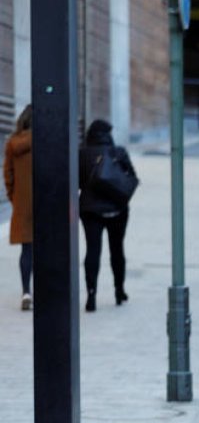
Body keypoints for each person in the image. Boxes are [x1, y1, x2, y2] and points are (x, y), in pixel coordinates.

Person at [78, 119, 137, 312]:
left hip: (90, 210)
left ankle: (91, 295)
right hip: (118, 209)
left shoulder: (82, 154)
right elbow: (132, 177)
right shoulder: (118, 152)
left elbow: (76, 183)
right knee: (117, 249)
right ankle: (119, 291)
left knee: (92, 251)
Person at [3, 105, 33, 310]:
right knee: (45, 248)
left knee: (27, 250)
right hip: (45, 201)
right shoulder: (44, 140)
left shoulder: (12, 143)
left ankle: (26, 291)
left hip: (22, 203)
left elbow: (8, 175)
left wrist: (15, 198)